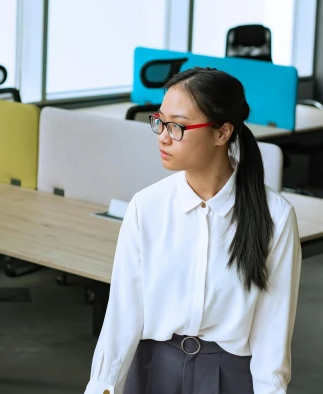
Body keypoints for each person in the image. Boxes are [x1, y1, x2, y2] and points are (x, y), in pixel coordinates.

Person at [85, 67, 301, 394]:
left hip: (229, 376)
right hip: (152, 369)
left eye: (178, 126)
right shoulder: (147, 207)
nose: (163, 135)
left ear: (222, 132)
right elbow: (123, 314)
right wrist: (102, 386)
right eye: (159, 121)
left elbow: (272, 329)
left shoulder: (275, 216)